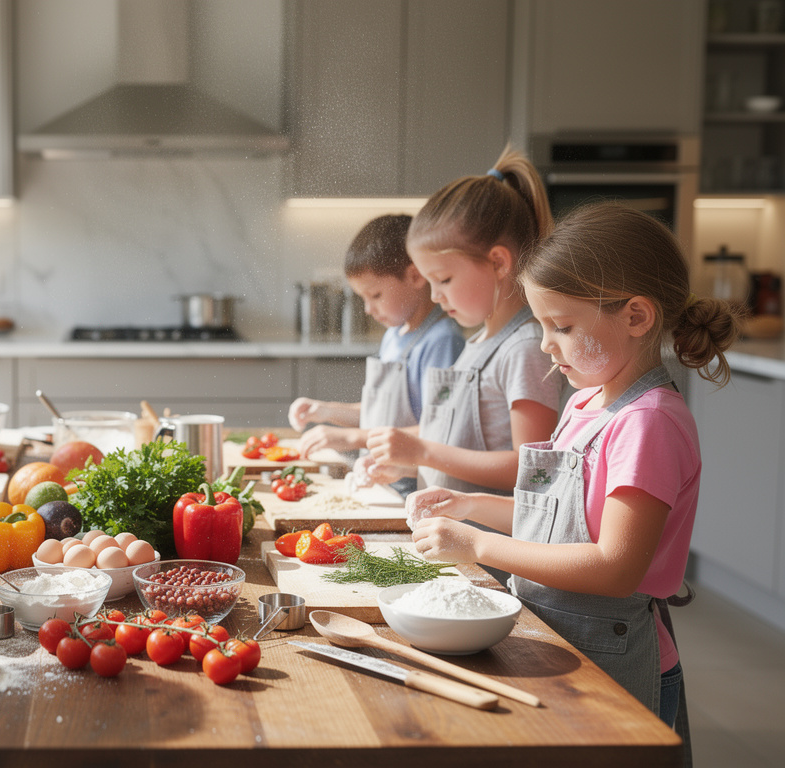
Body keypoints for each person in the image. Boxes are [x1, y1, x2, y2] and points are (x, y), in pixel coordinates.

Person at [407, 202, 739, 758]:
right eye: (541, 325)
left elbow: (614, 566)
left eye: (561, 326)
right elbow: (559, 523)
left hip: (614, 658)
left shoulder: (647, 421)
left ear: (636, 317)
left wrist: (479, 544)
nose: (544, 344)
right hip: (555, 637)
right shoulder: (585, 402)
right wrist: (469, 506)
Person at [361, 149, 562, 500]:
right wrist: (407, 463)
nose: (435, 296)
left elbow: (530, 468)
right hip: (456, 540)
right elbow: (461, 449)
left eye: (444, 280)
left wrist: (423, 452)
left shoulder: (525, 347)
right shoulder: (480, 341)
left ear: (498, 262)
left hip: (493, 550)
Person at [288, 214, 465, 497]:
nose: (369, 309)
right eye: (363, 299)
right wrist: (326, 410)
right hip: (382, 479)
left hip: (416, 487)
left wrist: (351, 438)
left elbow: (441, 429)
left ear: (415, 276)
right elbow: (379, 414)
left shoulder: (442, 340)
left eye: (376, 295)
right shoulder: (394, 335)